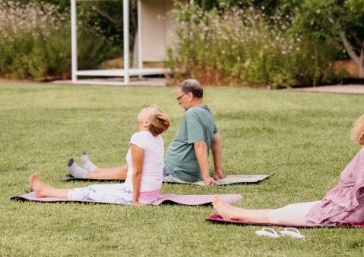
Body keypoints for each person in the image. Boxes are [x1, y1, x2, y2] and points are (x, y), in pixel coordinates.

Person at [211, 110, 364, 227]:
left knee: (282, 214)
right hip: (342, 208)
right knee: (289, 209)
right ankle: (235, 211)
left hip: (341, 213)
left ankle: (234, 214)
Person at [68, 79, 224, 185]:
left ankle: (85, 175)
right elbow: (216, 141)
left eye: (179, 98)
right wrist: (217, 170)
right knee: (130, 165)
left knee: (136, 169)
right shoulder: (206, 112)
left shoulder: (192, 113)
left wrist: (206, 176)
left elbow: (200, 144)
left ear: (189, 96)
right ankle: (95, 170)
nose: (179, 102)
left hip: (176, 170)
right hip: (176, 168)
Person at [30, 105, 170, 205]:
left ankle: (45, 191)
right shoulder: (158, 139)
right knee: (99, 188)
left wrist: (135, 201)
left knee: (90, 191)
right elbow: (155, 169)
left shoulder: (139, 137)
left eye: (145, 111)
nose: (143, 110)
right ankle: (49, 189)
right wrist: (155, 194)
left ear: (146, 122)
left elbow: (138, 172)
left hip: (136, 195)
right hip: (149, 194)